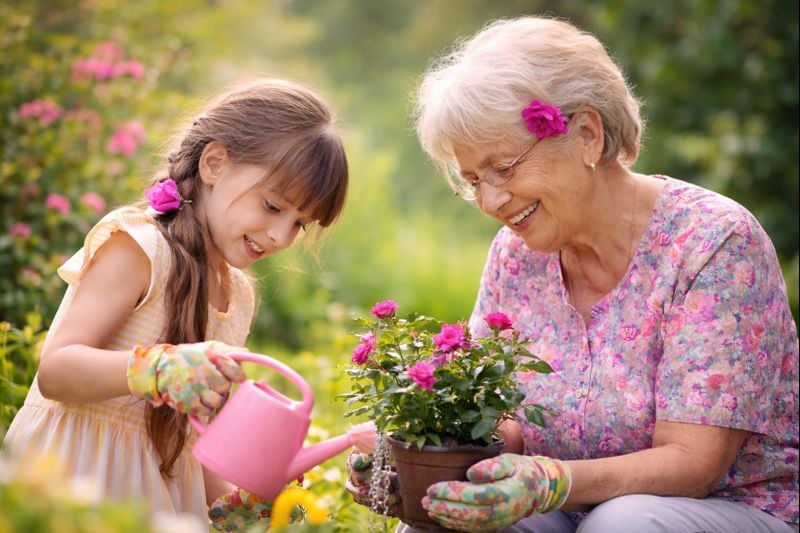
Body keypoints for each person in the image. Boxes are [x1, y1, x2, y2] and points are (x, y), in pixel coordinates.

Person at [347, 16, 798, 533]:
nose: (491, 201)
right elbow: (503, 425)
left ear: (586, 134)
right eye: (474, 181)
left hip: (731, 510)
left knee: (623, 524)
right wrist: (419, 462)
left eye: (505, 167)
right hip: (570, 512)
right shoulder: (516, 255)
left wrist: (551, 481)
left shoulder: (713, 244)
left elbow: (694, 463)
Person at [3, 78, 349, 531]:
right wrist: (158, 370)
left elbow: (193, 439)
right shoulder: (140, 248)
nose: (281, 236)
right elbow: (56, 372)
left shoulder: (237, 295)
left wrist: (245, 505)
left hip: (162, 501)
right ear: (215, 163)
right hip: (73, 482)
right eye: (271, 206)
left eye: (300, 224)